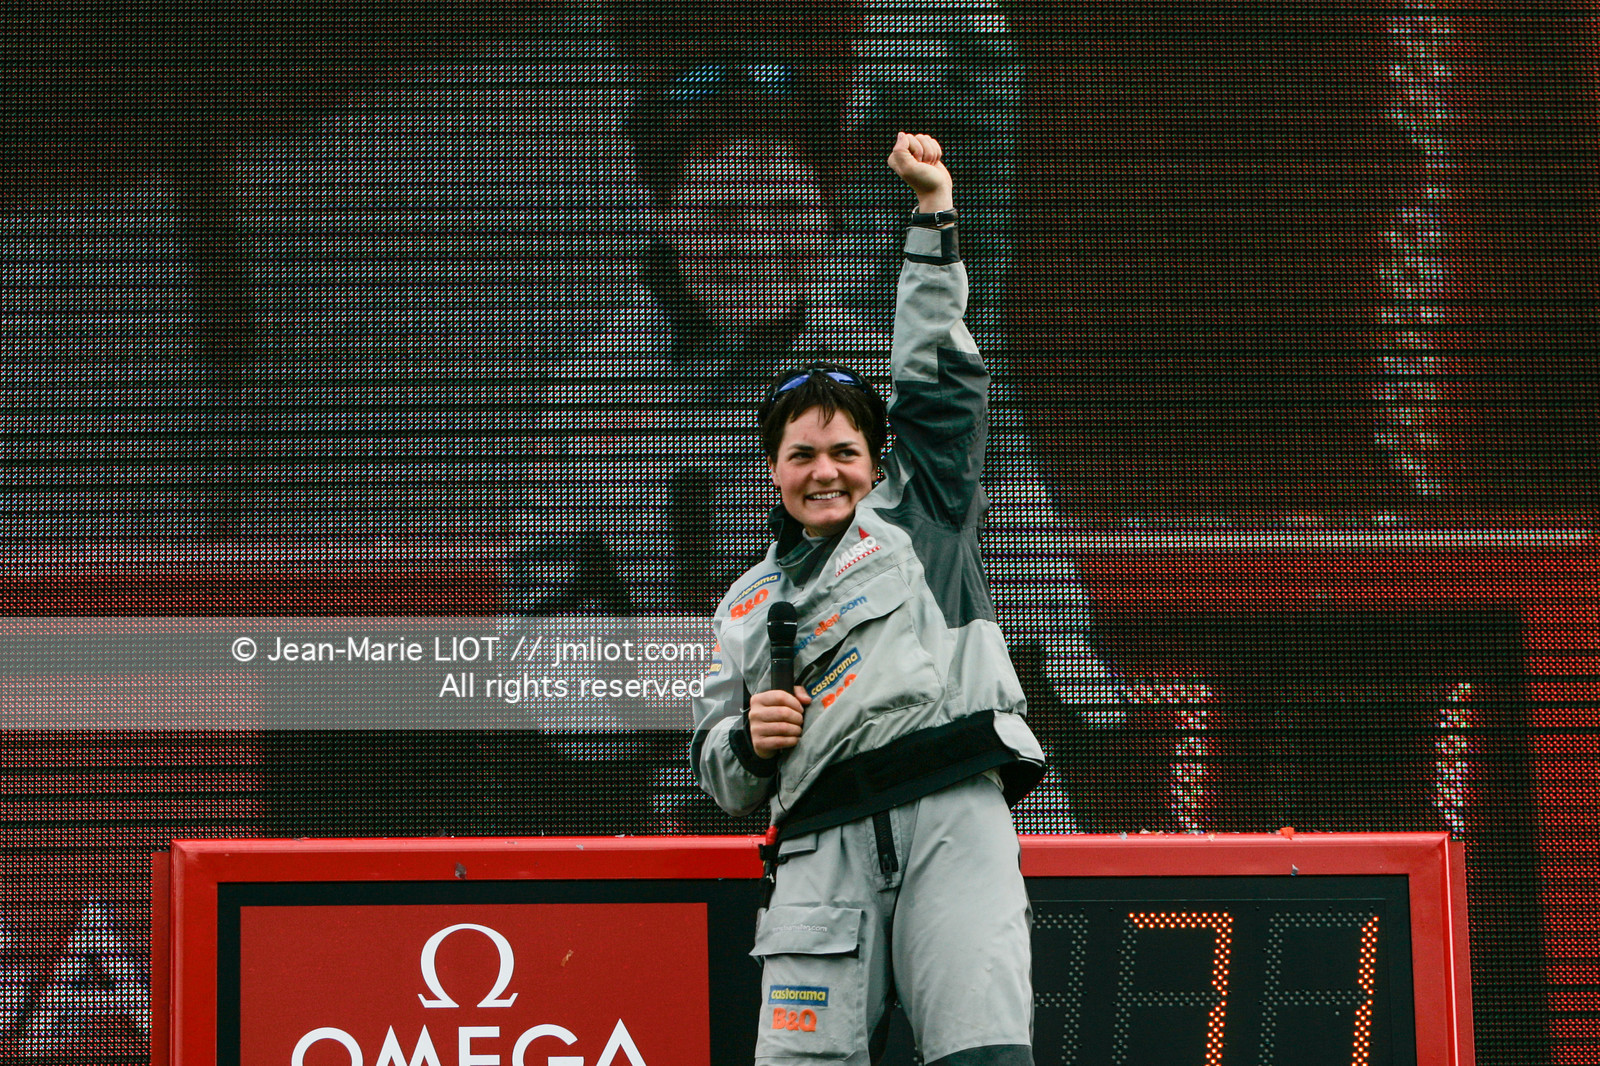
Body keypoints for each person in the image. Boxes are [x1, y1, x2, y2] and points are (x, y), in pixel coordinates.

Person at [692, 132, 1040, 1066]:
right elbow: (717, 769)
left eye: (845, 452)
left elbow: (937, 381)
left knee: (985, 1056)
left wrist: (932, 213)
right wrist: (747, 739)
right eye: (801, 454)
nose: (825, 471)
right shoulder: (743, 605)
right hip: (818, 847)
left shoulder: (925, 507)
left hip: (952, 814)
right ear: (772, 472)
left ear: (876, 462)